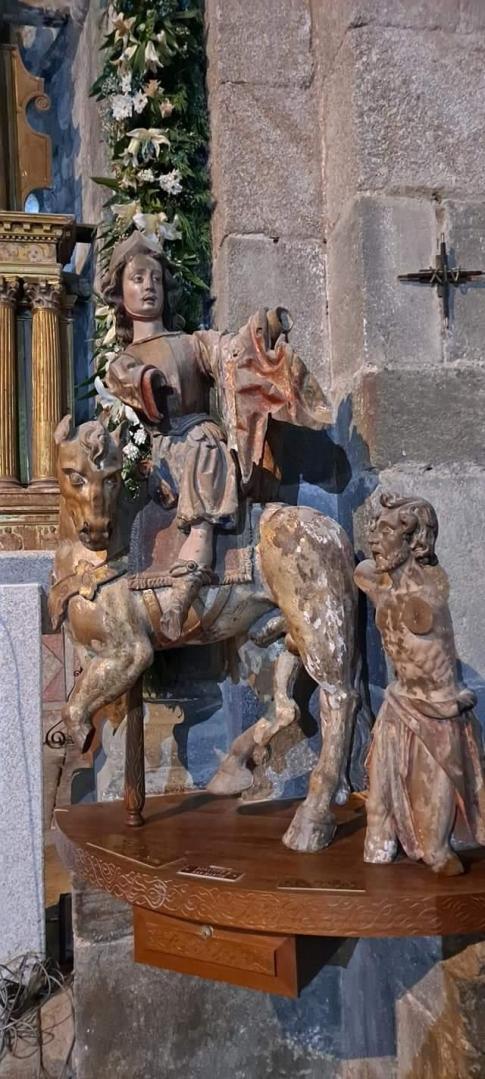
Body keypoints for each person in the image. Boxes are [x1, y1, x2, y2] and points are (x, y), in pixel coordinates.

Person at [102, 230, 330, 639]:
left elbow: (231, 351)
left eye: (155, 278)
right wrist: (148, 380)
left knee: (206, 445)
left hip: (199, 438)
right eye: (137, 278)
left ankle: (195, 564)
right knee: (199, 449)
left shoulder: (192, 342)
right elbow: (127, 380)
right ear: (120, 293)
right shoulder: (124, 359)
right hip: (164, 451)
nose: (148, 286)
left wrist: (263, 328)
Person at [355, 492, 485, 875]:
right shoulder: (386, 587)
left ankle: (440, 848)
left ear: (413, 541)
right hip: (398, 703)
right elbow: (363, 571)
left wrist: (445, 719)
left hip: (434, 715)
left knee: (435, 847)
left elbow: (440, 681)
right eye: (374, 530)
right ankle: (382, 852)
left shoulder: (423, 604)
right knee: (376, 813)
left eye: (385, 532)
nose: (374, 540)